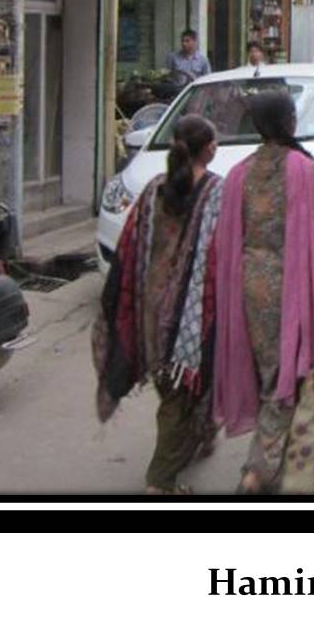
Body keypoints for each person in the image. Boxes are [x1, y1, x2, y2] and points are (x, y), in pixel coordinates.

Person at [92, 116, 224, 495]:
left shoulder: (153, 189)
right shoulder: (218, 192)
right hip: (191, 315)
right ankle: (159, 483)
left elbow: (129, 245)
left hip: (151, 308)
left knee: (175, 391)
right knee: (180, 396)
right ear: (210, 149)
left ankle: (197, 439)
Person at [210, 89, 314, 494]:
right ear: (288, 122)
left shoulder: (239, 173)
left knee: (266, 371)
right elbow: (313, 236)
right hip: (291, 282)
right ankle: (258, 471)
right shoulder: (305, 171)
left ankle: (269, 463)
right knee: (284, 378)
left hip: (247, 282)